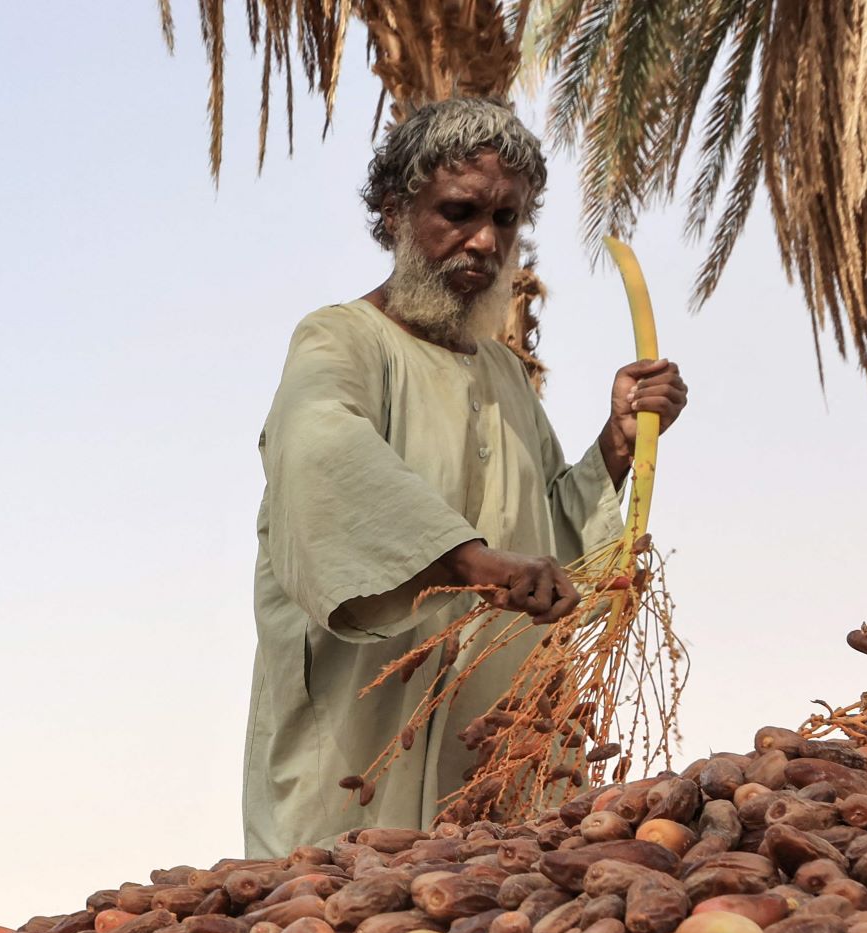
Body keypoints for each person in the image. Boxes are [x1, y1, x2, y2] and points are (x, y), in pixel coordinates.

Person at [241, 97, 689, 858]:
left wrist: (617, 443)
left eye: (506, 220)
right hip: (360, 744)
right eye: (459, 212)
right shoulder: (341, 339)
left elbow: (546, 533)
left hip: (496, 749)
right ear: (394, 211)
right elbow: (322, 455)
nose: (485, 241)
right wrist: (472, 563)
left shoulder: (505, 375)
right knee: (339, 907)